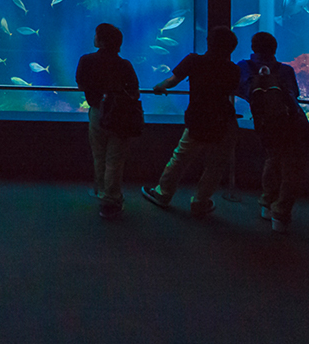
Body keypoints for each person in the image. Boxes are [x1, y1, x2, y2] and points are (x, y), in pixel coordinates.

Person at [141, 25, 240, 217]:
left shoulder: (194, 60)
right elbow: (232, 91)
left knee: (181, 157)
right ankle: (200, 202)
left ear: (208, 42)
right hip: (223, 119)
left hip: (199, 118)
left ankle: (163, 193)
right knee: (216, 163)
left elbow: (172, 81)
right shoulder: (232, 69)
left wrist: (159, 87)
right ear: (231, 48)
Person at [236, 31, 308, 233]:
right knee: (292, 167)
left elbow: (240, 90)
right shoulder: (285, 70)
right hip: (292, 124)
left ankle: (266, 202)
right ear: (275, 49)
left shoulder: (244, 67)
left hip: (265, 126)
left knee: (273, 158)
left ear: (253, 48)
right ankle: (281, 212)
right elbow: (295, 94)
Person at [76, 23, 140, 220]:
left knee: (99, 154)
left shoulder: (86, 60)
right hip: (120, 114)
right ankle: (110, 200)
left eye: (96, 34)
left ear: (101, 40)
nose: (94, 37)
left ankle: (103, 193)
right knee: (115, 158)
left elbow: (80, 83)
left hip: (97, 113)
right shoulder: (125, 64)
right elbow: (135, 91)